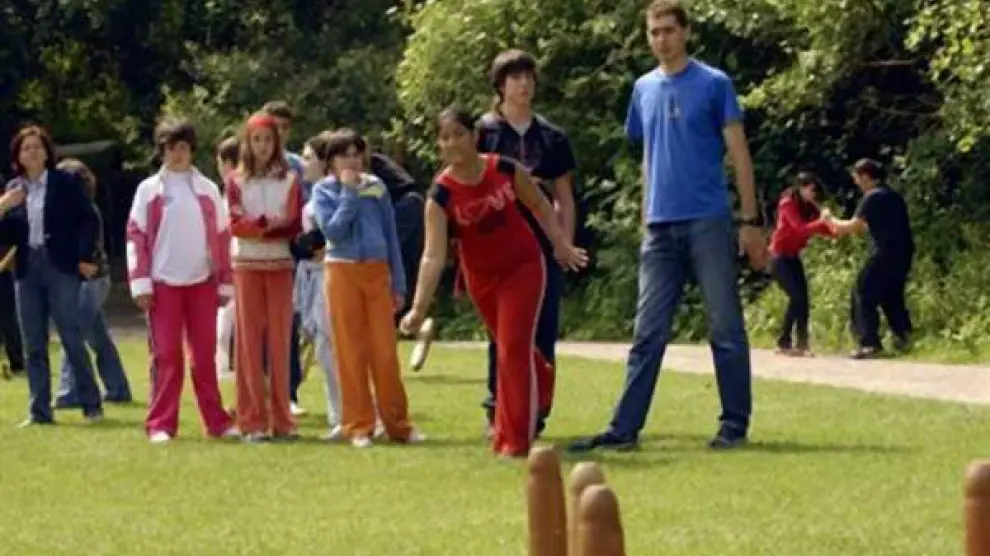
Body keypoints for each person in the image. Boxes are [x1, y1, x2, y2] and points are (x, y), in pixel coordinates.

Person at [568, 0, 768, 453]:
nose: (661, 39)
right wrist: (645, 216)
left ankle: (734, 423)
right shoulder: (643, 88)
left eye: (669, 30)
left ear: (686, 33)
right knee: (647, 332)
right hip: (659, 227)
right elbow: (648, 155)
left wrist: (750, 220)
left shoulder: (714, 84)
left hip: (708, 220)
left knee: (725, 327)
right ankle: (623, 429)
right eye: (654, 32)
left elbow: (739, 153)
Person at [399, 107, 587, 458]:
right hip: (482, 279)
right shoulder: (440, 196)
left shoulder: (504, 169)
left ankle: (515, 442)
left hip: (523, 266)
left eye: (459, 134)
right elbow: (433, 255)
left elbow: (540, 205)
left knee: (513, 350)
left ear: (474, 136)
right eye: (445, 137)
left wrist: (561, 245)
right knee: (510, 349)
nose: (453, 143)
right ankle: (539, 378)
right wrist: (418, 308)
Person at [476, 48, 578, 438]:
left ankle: (537, 408)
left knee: (543, 327)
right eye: (514, 78)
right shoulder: (483, 133)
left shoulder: (552, 137)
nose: (523, 85)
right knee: (502, 330)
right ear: (499, 85)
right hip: (496, 243)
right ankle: (498, 407)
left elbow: (564, 196)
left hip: (540, 242)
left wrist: (564, 242)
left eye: (528, 77)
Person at [126, 118, 238, 443]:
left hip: (202, 283)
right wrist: (141, 283)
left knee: (204, 357)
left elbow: (223, 237)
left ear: (192, 151)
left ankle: (217, 422)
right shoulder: (148, 190)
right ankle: (161, 424)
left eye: (184, 148)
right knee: (167, 356)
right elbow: (135, 237)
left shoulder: (207, 189)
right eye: (171, 148)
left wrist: (225, 282)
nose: (177, 154)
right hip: (163, 285)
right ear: (162, 151)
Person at [311, 128, 424, 449]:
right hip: (342, 270)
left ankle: (397, 424)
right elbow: (334, 231)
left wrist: (398, 283)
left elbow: (390, 236)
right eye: (343, 155)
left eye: (356, 154)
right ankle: (359, 425)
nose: (351, 160)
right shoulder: (323, 190)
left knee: (384, 352)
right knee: (350, 351)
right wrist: (348, 193)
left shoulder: (377, 186)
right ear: (330, 161)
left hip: (377, 271)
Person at [1, 125, 105, 426]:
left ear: (47, 152)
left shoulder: (65, 182)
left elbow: (87, 219)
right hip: (26, 268)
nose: (32, 152)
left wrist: (84, 257)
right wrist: (4, 206)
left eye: (37, 146)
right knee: (33, 341)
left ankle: (91, 404)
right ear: (18, 156)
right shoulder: (14, 188)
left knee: (70, 335)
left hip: (59, 265)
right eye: (26, 148)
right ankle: (39, 411)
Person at [226, 112, 303, 442]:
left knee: (280, 342)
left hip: (280, 265)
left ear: (277, 142)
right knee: (248, 343)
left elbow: (293, 223)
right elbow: (235, 223)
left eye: (268, 140)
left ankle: (283, 419)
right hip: (246, 264)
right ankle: (252, 420)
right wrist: (265, 226)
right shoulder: (236, 180)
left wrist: (263, 227)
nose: (262, 146)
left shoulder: (290, 179)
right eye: (256, 140)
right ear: (248, 142)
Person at [53, 158, 133, 407]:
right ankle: (118, 388)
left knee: (72, 333)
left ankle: (70, 391)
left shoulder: (82, 212)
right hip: (92, 281)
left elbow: (82, 253)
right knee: (98, 337)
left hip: (89, 281)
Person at [825, 158, 914, 359]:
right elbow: (867, 226)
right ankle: (904, 338)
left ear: (865, 176)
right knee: (891, 294)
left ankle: (869, 343)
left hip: (885, 252)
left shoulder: (872, 197)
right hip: (903, 252)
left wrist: (829, 219)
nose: (856, 183)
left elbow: (853, 226)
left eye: (856, 178)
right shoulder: (893, 195)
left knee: (863, 291)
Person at [293, 132, 343, 435]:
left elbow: (329, 237)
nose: (303, 163)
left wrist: (312, 245)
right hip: (311, 275)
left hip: (328, 273)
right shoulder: (313, 195)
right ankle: (339, 413)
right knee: (324, 348)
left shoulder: (331, 194)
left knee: (331, 345)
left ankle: (346, 414)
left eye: (309, 157)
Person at [261, 99, 308, 416]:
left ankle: (288, 391)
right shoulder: (249, 163)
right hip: (255, 249)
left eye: (285, 128)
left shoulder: (297, 167)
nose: (279, 134)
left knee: (287, 322)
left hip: (289, 250)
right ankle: (259, 389)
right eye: (274, 127)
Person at [767, 171, 835, 357]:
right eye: (811, 190)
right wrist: (821, 221)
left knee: (803, 299)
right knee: (796, 297)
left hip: (793, 257)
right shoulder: (787, 203)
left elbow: (822, 228)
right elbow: (799, 230)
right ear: (800, 188)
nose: (813, 194)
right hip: (779, 257)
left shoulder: (809, 207)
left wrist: (837, 228)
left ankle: (802, 344)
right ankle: (784, 341)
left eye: (815, 191)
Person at [213, 135, 240, 380]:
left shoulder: (234, 193)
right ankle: (223, 366)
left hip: (236, 263)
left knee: (229, 319)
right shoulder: (220, 194)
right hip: (226, 264)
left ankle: (228, 366)